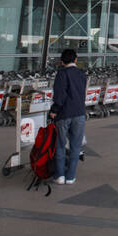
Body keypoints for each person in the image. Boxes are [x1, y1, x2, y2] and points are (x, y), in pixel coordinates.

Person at [49, 48, 87, 185]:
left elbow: (60, 94)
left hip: (64, 113)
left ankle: (59, 176)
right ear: (76, 59)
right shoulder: (82, 73)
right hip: (79, 113)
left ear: (61, 61)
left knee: (59, 144)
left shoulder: (62, 74)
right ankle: (71, 176)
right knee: (76, 146)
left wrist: (54, 109)